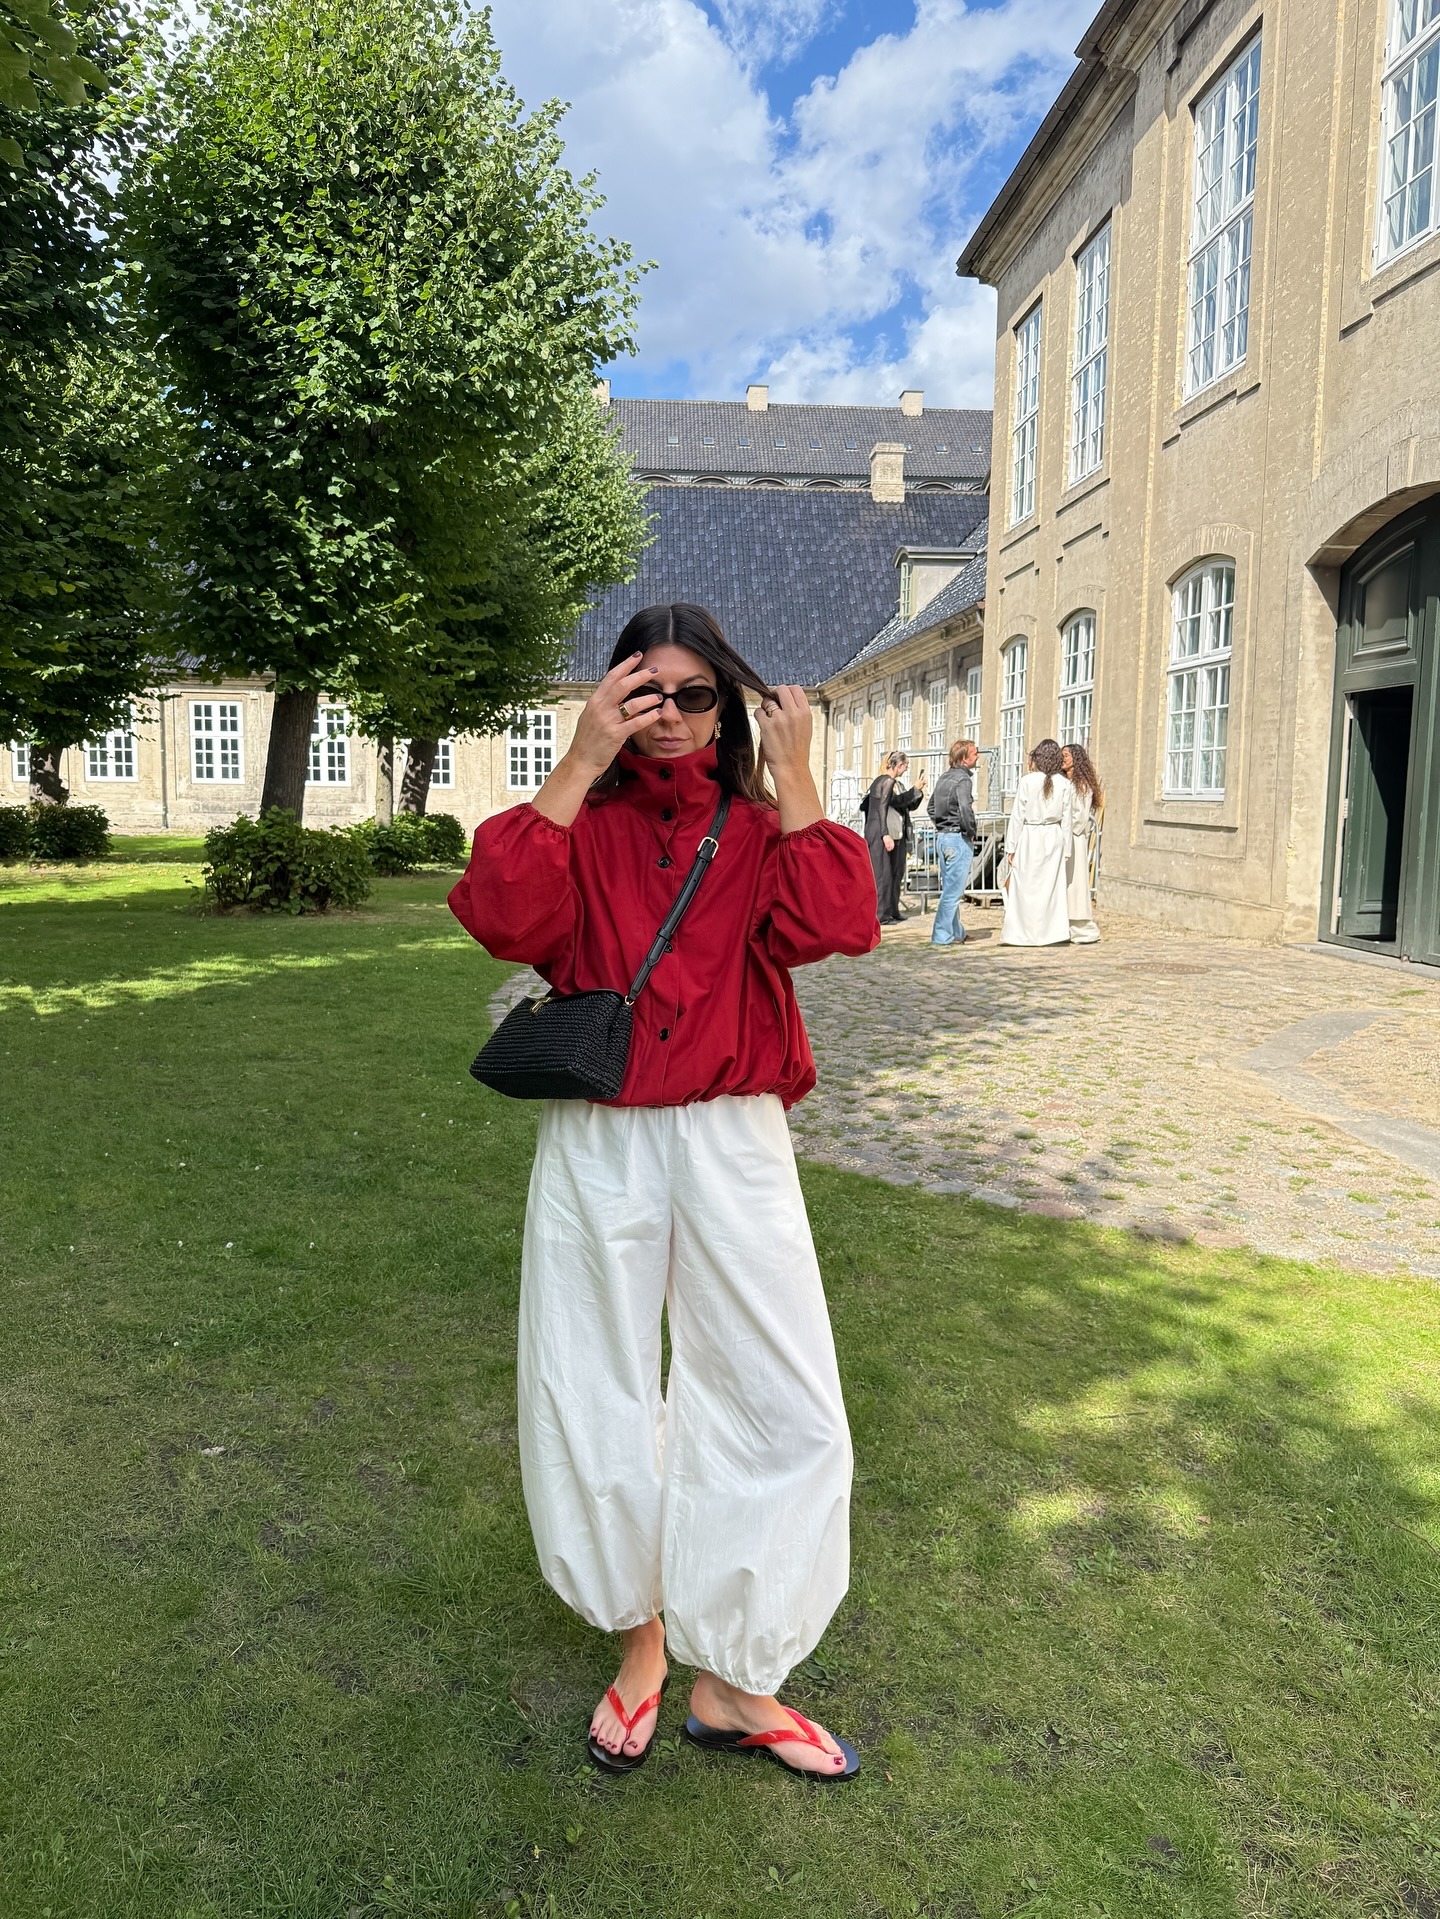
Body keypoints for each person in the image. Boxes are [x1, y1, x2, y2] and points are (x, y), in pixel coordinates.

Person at [448, 603, 879, 1782]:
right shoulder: (578, 823)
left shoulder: (756, 825)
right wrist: (578, 762)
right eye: (649, 694)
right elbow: (501, 918)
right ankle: (641, 1640)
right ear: (614, 700)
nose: (676, 717)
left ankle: (737, 1679)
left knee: (783, 1391)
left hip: (735, 1136)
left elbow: (837, 921)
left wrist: (796, 775)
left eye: (700, 695)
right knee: (593, 1382)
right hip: (602, 1134)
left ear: (729, 705)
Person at [999, 738, 1073, 946]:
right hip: (1052, 836)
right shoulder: (1064, 784)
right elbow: (1067, 819)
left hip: (1031, 836)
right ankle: (1050, 932)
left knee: (1027, 887)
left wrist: (1011, 846)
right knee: (1050, 888)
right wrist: (1067, 848)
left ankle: (1024, 931)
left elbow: (1017, 816)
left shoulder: (1027, 781)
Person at [862, 750, 925, 925]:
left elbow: (899, 803)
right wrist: (884, 834)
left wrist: (916, 791)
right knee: (882, 874)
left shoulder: (888, 782)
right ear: (899, 766)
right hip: (879, 831)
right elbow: (882, 808)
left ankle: (890, 911)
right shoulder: (887, 781)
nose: (905, 770)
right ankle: (880, 915)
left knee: (893, 874)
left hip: (886, 831)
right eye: (905, 766)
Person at [927, 739, 980, 947]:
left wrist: (942, 824)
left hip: (943, 837)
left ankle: (956, 932)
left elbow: (931, 807)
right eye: (974, 753)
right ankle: (941, 935)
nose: (978, 756)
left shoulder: (945, 776)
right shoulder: (963, 780)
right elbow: (966, 808)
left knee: (951, 888)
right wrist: (970, 830)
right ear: (965, 759)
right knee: (953, 892)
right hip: (957, 837)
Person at [1061, 742, 1103, 944]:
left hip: (1075, 839)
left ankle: (1079, 925)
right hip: (1063, 838)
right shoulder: (1062, 783)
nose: (1063, 758)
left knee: (1075, 881)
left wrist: (1065, 827)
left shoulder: (1083, 786)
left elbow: (1080, 817)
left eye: (1067, 755)